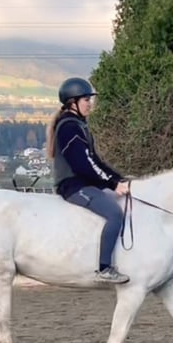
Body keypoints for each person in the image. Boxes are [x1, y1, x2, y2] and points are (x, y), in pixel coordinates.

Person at [45, 77, 131, 284]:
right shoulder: (69, 127)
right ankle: (104, 268)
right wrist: (112, 184)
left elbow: (95, 161)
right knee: (114, 214)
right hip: (74, 186)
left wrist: (119, 179)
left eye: (90, 100)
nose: (90, 104)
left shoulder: (78, 124)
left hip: (84, 183)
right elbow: (83, 164)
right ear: (72, 103)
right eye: (86, 100)